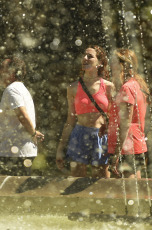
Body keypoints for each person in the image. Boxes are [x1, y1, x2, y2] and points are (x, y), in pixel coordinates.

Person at [56, 45, 114, 178]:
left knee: (102, 183)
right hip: (80, 134)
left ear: (100, 63)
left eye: (90, 56)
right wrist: (60, 149)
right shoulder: (73, 87)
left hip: (101, 135)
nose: (85, 58)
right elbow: (70, 121)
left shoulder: (109, 87)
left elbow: (113, 118)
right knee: (76, 181)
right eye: (84, 56)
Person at [0, 57, 44, 176]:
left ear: (12, 72)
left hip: (14, 154)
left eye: (2, 68)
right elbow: (13, 125)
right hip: (14, 151)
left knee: (7, 192)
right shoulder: (19, 89)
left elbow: (22, 116)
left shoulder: (12, 90)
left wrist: (33, 133)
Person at [108, 49, 149, 178]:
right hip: (136, 143)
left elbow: (126, 123)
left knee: (126, 191)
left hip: (127, 145)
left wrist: (116, 154)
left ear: (123, 65)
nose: (110, 66)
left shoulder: (127, 88)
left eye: (113, 62)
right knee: (136, 190)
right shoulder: (138, 85)